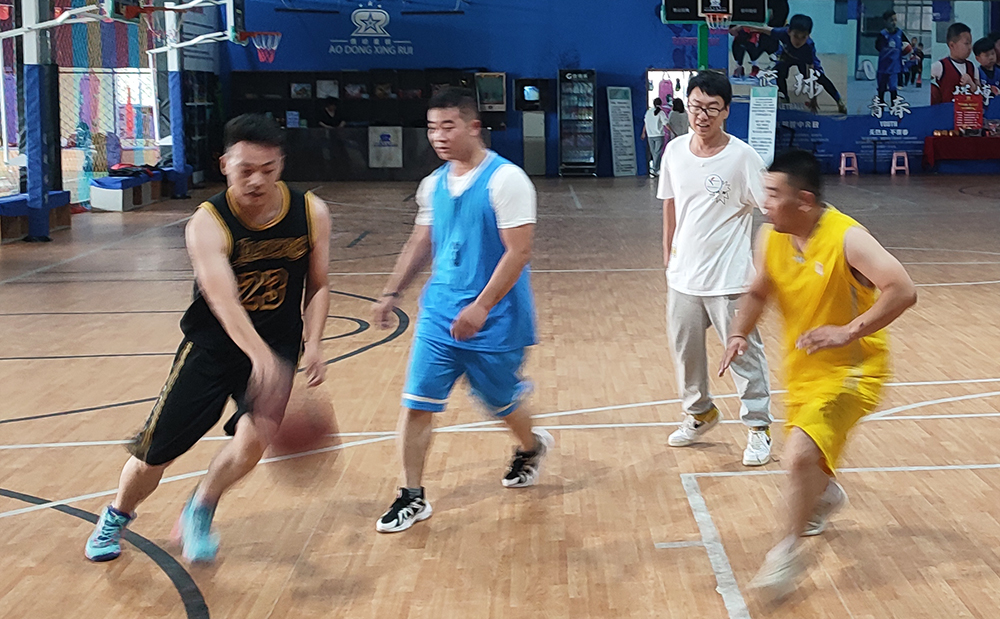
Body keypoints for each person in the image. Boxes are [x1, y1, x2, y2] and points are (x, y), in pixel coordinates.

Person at [84, 114, 332, 563]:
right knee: (155, 453)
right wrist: (260, 359)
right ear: (224, 164)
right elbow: (224, 301)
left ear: (281, 164)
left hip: (279, 344)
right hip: (212, 349)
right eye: (246, 170)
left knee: (253, 442)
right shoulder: (207, 222)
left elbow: (318, 285)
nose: (257, 180)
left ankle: (201, 507)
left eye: (268, 169)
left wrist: (313, 343)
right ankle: (117, 513)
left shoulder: (310, 212)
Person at [720, 150, 917, 597]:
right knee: (807, 460)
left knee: (796, 457)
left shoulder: (847, 238)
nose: (765, 203)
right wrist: (738, 332)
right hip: (804, 369)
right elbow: (759, 290)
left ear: (804, 200)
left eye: (774, 194)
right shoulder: (771, 237)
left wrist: (849, 331)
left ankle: (785, 555)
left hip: (854, 370)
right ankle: (825, 495)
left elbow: (903, 289)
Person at [372, 87, 551, 534]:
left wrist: (481, 306)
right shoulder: (433, 184)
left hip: (495, 318)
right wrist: (392, 292)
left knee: (500, 401)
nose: (438, 136)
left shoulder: (506, 180)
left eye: (447, 126)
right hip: (439, 314)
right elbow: (421, 241)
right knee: (417, 403)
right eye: (432, 128)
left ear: (473, 127)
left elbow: (518, 252)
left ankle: (530, 445)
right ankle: (411, 495)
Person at [657, 71, 773, 467]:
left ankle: (758, 427)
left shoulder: (743, 157)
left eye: (711, 108)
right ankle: (700, 413)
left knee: (743, 355)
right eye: (695, 106)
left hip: (729, 279)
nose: (701, 115)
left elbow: (770, 209)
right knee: (685, 353)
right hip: (683, 277)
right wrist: (668, 253)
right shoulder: (674, 151)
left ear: (725, 111)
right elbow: (670, 202)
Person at [741, 14, 849, 114]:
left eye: (803, 37)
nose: (799, 41)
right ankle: (784, 97)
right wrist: (741, 26)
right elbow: (763, 29)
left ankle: (838, 100)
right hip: (787, 55)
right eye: (796, 36)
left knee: (819, 77)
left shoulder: (808, 47)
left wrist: (813, 98)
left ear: (808, 36)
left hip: (803, 60)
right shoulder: (782, 33)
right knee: (779, 72)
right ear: (789, 32)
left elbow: (810, 74)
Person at [931, 23, 978, 105]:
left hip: (969, 111)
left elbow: (980, 93)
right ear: (952, 45)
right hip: (947, 111)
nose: (970, 47)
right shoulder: (940, 66)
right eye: (966, 43)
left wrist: (971, 84)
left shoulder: (972, 66)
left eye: (970, 43)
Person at [875, 10, 911, 104]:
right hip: (883, 67)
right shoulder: (882, 35)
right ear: (885, 21)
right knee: (881, 89)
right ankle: (880, 107)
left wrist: (906, 51)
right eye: (891, 20)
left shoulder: (900, 33)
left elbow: (907, 45)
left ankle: (894, 108)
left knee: (893, 89)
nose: (894, 22)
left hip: (895, 68)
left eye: (895, 20)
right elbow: (878, 47)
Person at [641, 97, 666, 177]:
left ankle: (656, 168)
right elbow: (665, 123)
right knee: (657, 153)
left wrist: (643, 133)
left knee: (654, 152)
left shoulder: (648, 112)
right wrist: (672, 131)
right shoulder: (661, 113)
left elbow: (646, 123)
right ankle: (656, 169)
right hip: (659, 135)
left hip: (650, 135)